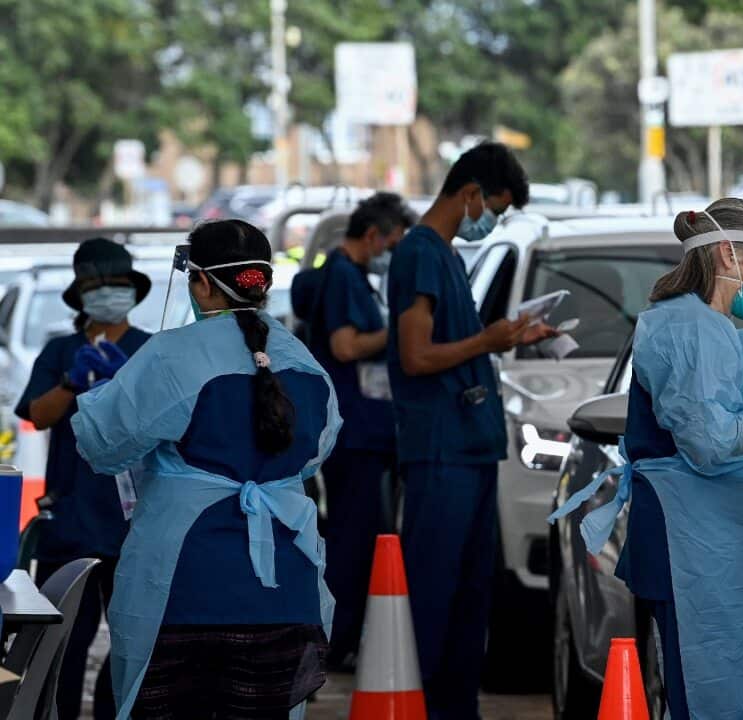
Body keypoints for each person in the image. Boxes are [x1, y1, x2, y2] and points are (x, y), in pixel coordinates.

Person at [551, 198, 743, 720]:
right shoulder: (683, 328)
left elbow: (732, 415)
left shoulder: (718, 328)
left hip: (722, 548)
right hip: (694, 550)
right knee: (708, 697)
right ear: (727, 256)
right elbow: (711, 442)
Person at [71, 220, 341, 719]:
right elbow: (318, 449)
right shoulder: (306, 364)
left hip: (182, 593)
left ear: (199, 282)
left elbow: (99, 442)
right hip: (285, 595)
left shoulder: (173, 355)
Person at [387, 142, 556, 719]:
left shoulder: (448, 257)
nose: (493, 222)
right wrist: (489, 341)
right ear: (470, 194)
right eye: (496, 209)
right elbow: (416, 355)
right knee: (435, 597)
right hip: (441, 452)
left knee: (468, 600)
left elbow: (456, 347)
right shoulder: (420, 254)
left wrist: (509, 339)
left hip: (472, 448)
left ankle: (457, 709)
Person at [14, 237, 152, 720]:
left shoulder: (151, 351)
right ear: (81, 292)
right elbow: (37, 414)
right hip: (71, 519)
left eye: (119, 284)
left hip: (136, 522)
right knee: (63, 646)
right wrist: (73, 382)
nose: (110, 293)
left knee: (133, 647)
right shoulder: (61, 352)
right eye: (100, 285)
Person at [303, 192, 414, 671]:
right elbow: (345, 346)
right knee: (352, 540)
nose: (391, 252)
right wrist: (403, 332)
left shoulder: (354, 278)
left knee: (361, 537)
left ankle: (342, 637)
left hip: (366, 429)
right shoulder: (343, 277)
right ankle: (336, 641)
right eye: (392, 242)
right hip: (354, 432)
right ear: (373, 236)